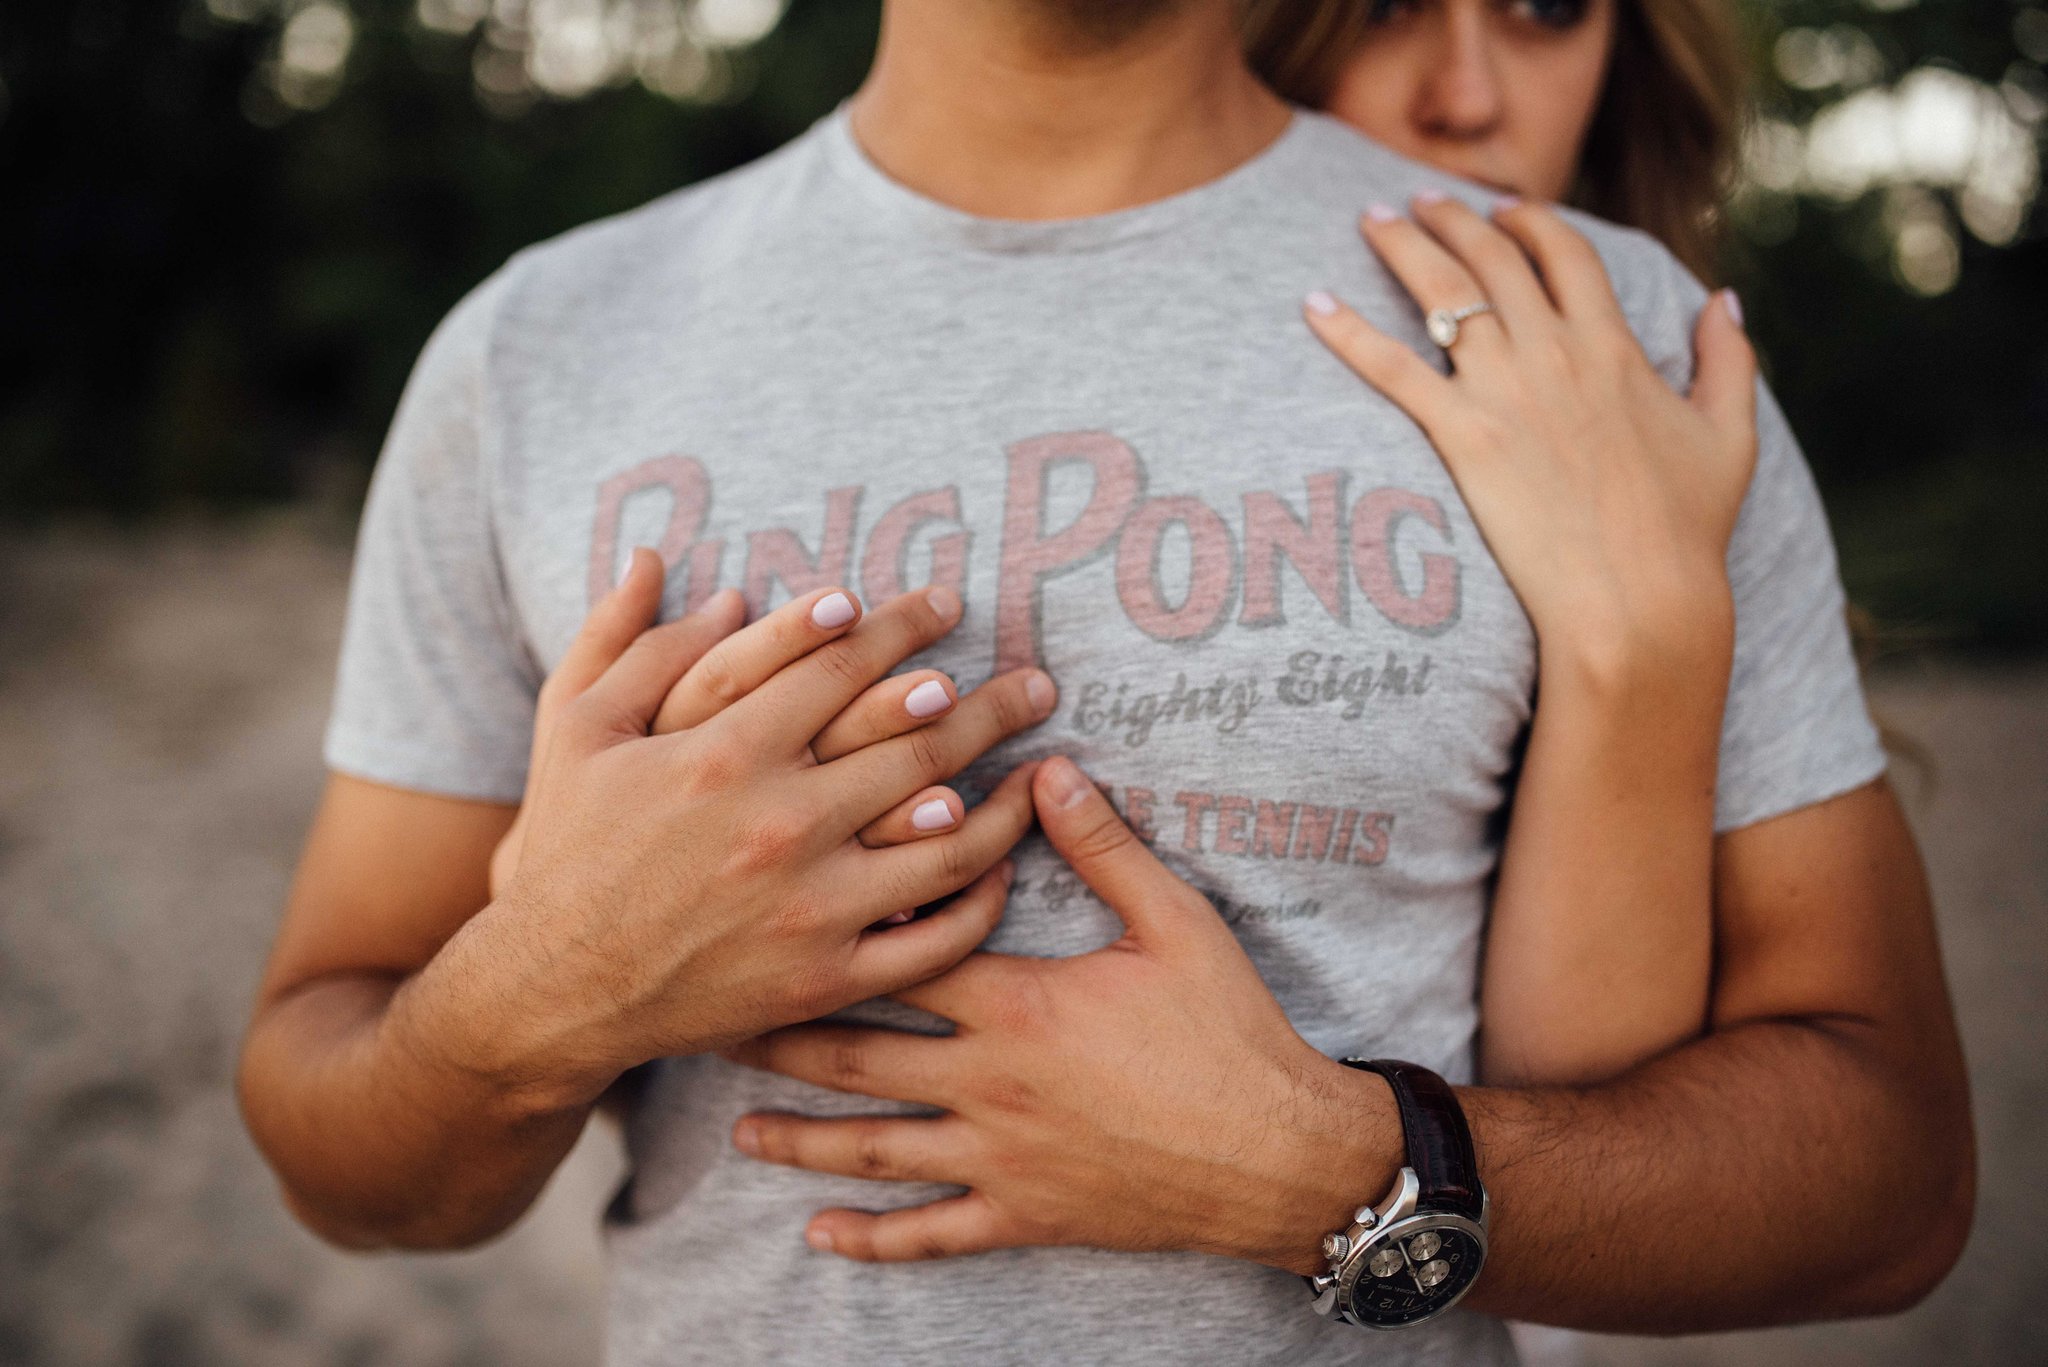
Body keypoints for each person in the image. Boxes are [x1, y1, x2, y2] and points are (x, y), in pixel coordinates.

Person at [238, 2, 1973, 1364]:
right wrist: (541, 992)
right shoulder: (539, 348)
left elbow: (1888, 1182)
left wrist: (1325, 1166)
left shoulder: (1595, 336)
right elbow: (344, 1160)